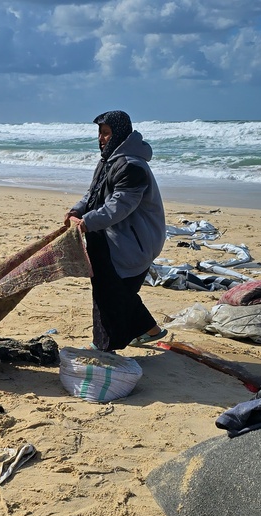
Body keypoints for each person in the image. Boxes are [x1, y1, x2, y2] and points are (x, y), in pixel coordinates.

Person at [63, 110, 166, 352]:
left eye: (106, 133)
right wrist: (76, 211)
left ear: (119, 134)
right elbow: (92, 195)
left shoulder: (132, 167)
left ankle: (105, 347)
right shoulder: (107, 162)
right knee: (121, 292)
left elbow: (119, 206)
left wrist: (86, 222)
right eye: (100, 132)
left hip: (133, 241)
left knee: (110, 295)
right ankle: (152, 331)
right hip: (111, 235)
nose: (101, 138)